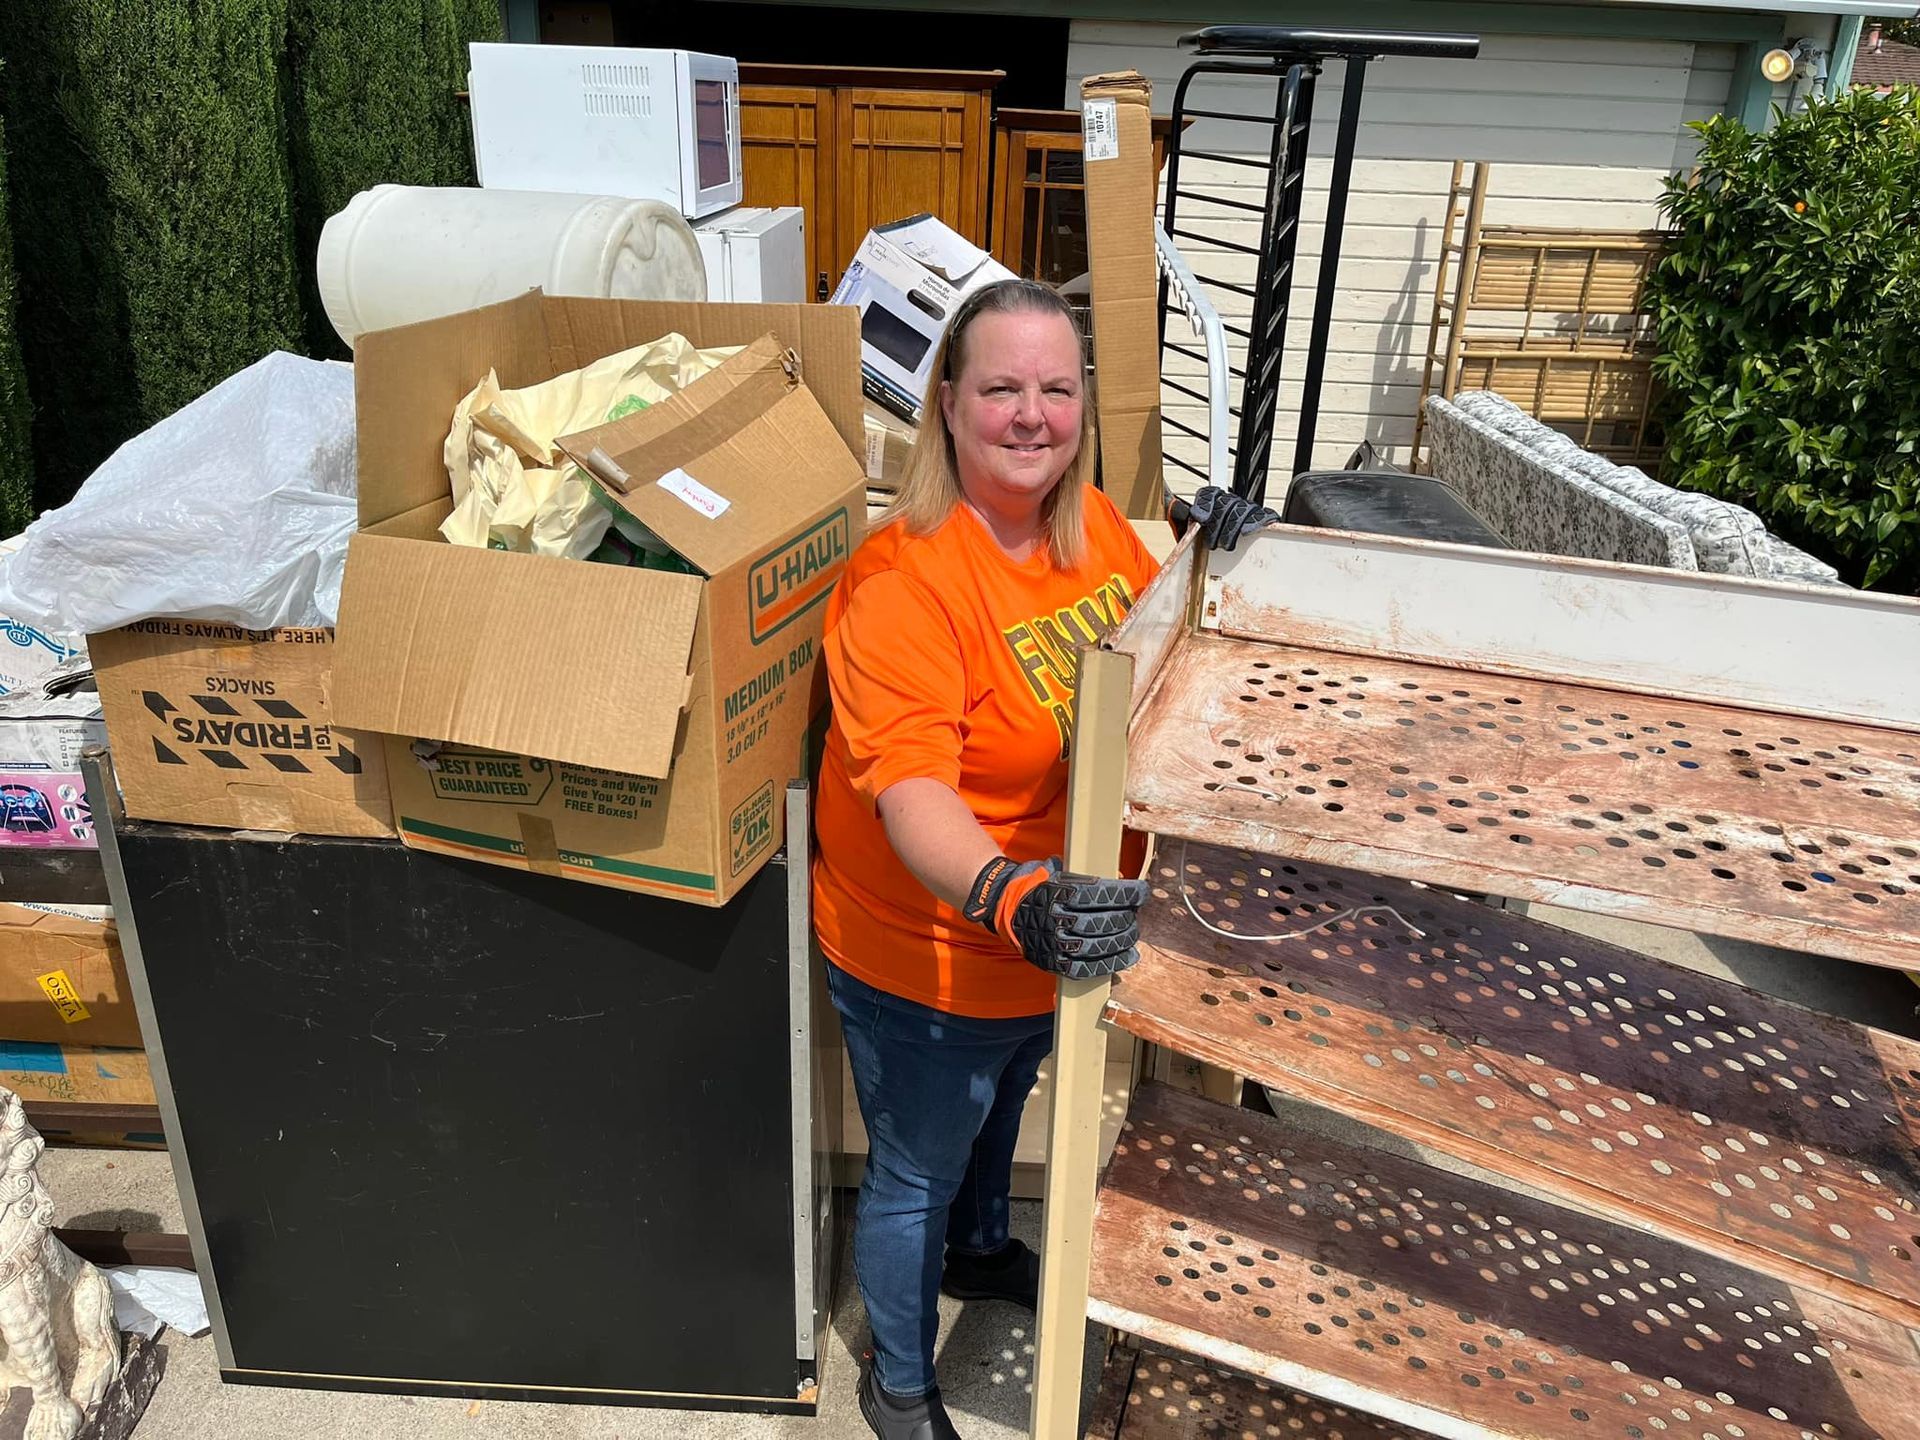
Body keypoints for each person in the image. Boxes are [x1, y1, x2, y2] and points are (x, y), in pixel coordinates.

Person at [811, 277, 1278, 1440]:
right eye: (1003, 388)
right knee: (918, 1160)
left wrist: (1223, 555)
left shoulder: (1096, 530)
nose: (1033, 414)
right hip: (937, 941)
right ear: (950, 411)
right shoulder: (904, 581)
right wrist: (1008, 895)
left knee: (1004, 1100)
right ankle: (902, 1376)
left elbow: (1161, 607)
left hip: (1058, 928)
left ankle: (980, 1251)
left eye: (1057, 389)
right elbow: (912, 791)